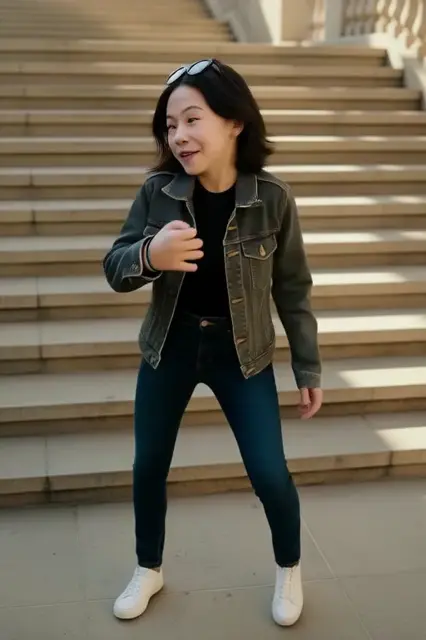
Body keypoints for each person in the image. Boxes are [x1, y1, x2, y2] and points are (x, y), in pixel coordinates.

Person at [103, 58, 323, 627]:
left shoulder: (273, 197)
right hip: (169, 347)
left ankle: (289, 567)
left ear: (235, 122)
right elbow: (115, 266)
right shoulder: (157, 192)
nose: (178, 135)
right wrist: (150, 255)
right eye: (170, 125)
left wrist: (307, 367)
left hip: (241, 354)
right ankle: (148, 568)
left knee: (269, 472)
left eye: (192, 119)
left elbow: (292, 288)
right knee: (149, 464)